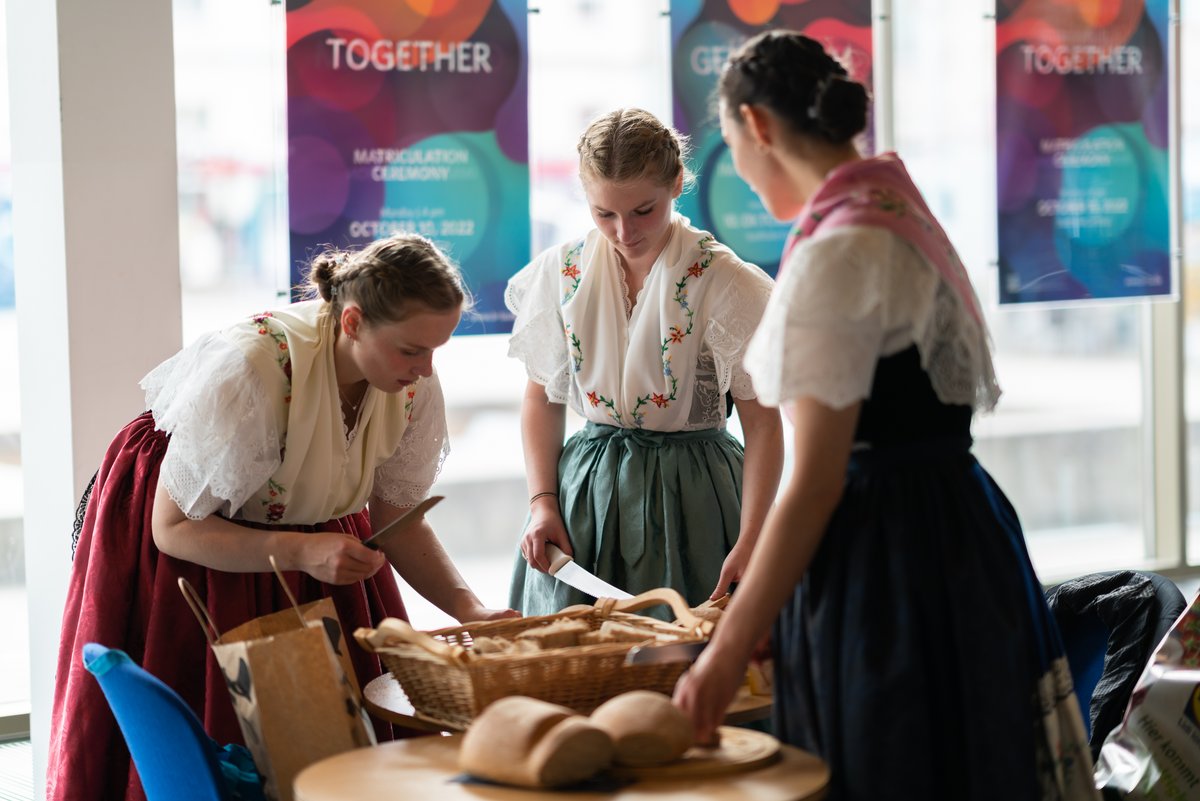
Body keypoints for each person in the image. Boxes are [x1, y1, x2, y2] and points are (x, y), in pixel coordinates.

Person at [672, 31, 1099, 801]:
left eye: (732, 145)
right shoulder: (899, 209)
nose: (736, 166)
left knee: (890, 762)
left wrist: (727, 648)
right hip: (962, 525)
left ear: (758, 128)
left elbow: (818, 474)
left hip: (885, 554)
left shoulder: (839, 248)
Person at [48, 233, 516, 801]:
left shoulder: (408, 381)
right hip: (203, 528)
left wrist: (468, 607)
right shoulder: (254, 369)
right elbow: (173, 529)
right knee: (229, 743)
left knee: (336, 742)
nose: (425, 369)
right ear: (351, 323)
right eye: (412, 350)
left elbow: (399, 516)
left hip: (307, 532)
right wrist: (301, 551)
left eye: (436, 349)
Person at [506, 108, 784, 617]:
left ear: (678, 183)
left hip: (696, 498)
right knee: (575, 666)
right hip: (585, 495)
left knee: (692, 658)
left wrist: (753, 537)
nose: (623, 231)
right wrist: (542, 501)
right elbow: (540, 397)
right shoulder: (560, 272)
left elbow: (764, 424)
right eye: (603, 214)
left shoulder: (727, 282)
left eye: (643, 211)